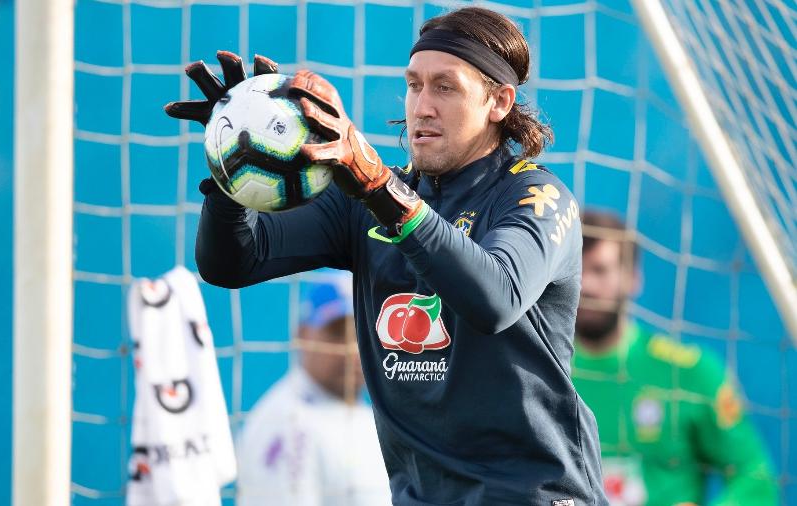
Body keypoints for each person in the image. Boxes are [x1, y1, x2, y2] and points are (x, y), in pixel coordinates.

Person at [166, 7, 607, 504]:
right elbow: (233, 262)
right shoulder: (365, 203)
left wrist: (381, 191)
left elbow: (495, 298)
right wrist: (236, 164)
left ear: (499, 101)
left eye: (446, 87)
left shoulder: (535, 197)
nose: (422, 105)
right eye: (414, 85)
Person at [572, 210, 779, 506]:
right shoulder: (536, 374)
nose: (586, 286)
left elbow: (754, 477)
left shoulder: (688, 373)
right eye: (576, 271)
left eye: (600, 270)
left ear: (632, 278)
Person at [237, 275, 391, 506]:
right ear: (303, 334)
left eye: (363, 333)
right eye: (337, 333)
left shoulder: (367, 412)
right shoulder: (287, 423)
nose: (352, 350)